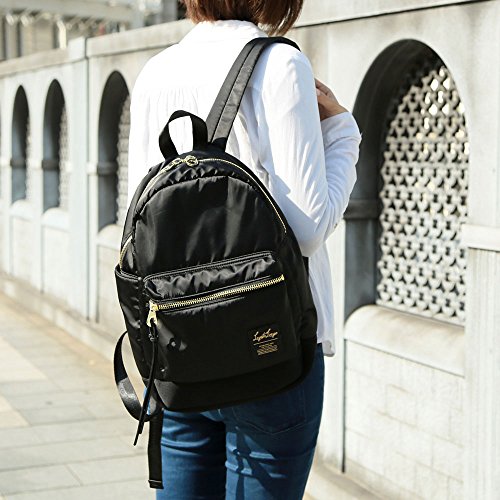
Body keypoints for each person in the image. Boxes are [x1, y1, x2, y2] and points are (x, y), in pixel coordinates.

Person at [127, 1, 362, 498]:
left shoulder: (154, 72)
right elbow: (308, 228)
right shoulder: (280, 64)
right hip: (271, 349)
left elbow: (139, 229)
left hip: (179, 351)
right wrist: (343, 133)